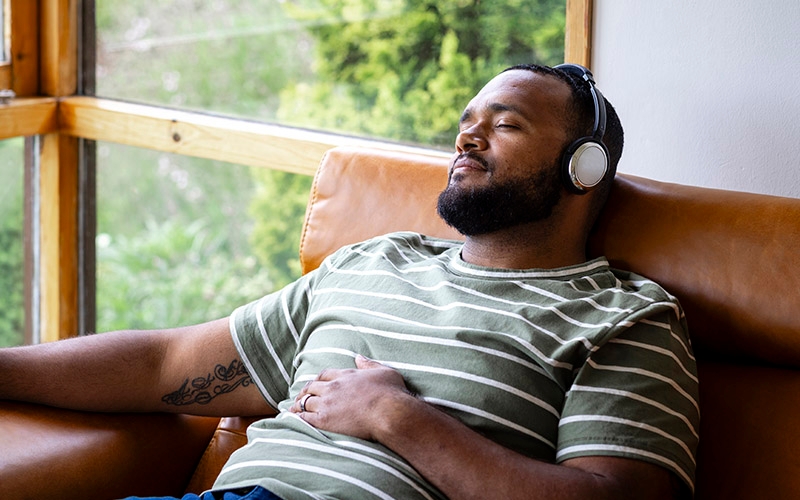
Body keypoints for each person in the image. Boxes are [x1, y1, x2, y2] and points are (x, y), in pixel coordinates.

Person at [0, 64, 699, 500]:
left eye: (504, 124)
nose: (466, 138)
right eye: (466, 123)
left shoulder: (624, 319)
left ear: (584, 169)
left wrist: (396, 417)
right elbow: (164, 365)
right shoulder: (376, 261)